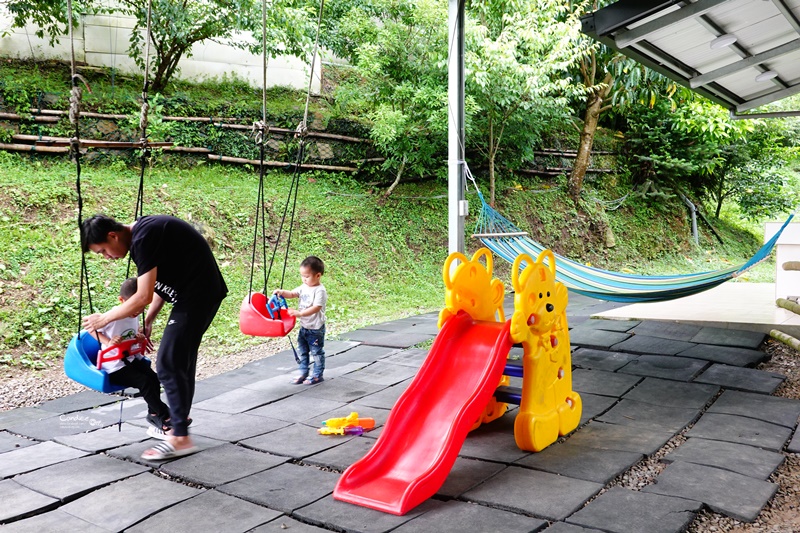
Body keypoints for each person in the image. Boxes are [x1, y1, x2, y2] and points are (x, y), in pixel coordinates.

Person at [81, 214, 227, 461]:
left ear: (113, 236)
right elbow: (159, 287)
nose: (107, 257)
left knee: (169, 363)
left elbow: (141, 296)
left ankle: (179, 436)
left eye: (103, 251)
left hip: (197, 294)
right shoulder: (145, 237)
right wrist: (148, 321)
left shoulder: (144, 236)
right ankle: (179, 428)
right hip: (198, 293)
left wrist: (103, 319)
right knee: (180, 361)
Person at [86, 277, 171, 439]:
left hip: (130, 359)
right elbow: (91, 329)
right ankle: (163, 414)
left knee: (153, 378)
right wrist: (108, 342)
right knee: (144, 382)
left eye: (142, 306)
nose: (138, 311)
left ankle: (154, 414)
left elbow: (130, 334)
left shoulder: (135, 314)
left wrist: (138, 337)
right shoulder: (113, 316)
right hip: (114, 366)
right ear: (121, 301)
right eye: (135, 305)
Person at [273, 256, 327, 385]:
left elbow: (316, 308)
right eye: (302, 276)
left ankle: (317, 374)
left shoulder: (320, 291)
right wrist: (282, 292)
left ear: (318, 275)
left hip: (315, 329)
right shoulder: (304, 287)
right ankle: (303, 372)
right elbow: (292, 294)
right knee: (302, 351)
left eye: (307, 276)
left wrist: (300, 313)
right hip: (304, 327)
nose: (304, 279)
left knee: (316, 352)